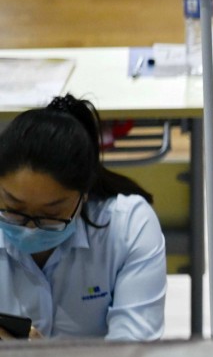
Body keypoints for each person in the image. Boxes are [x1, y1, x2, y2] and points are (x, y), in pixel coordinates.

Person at [0, 95, 167, 341]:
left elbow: (134, 354)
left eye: (51, 215)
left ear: (85, 195)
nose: (31, 228)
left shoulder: (127, 227)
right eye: (14, 208)